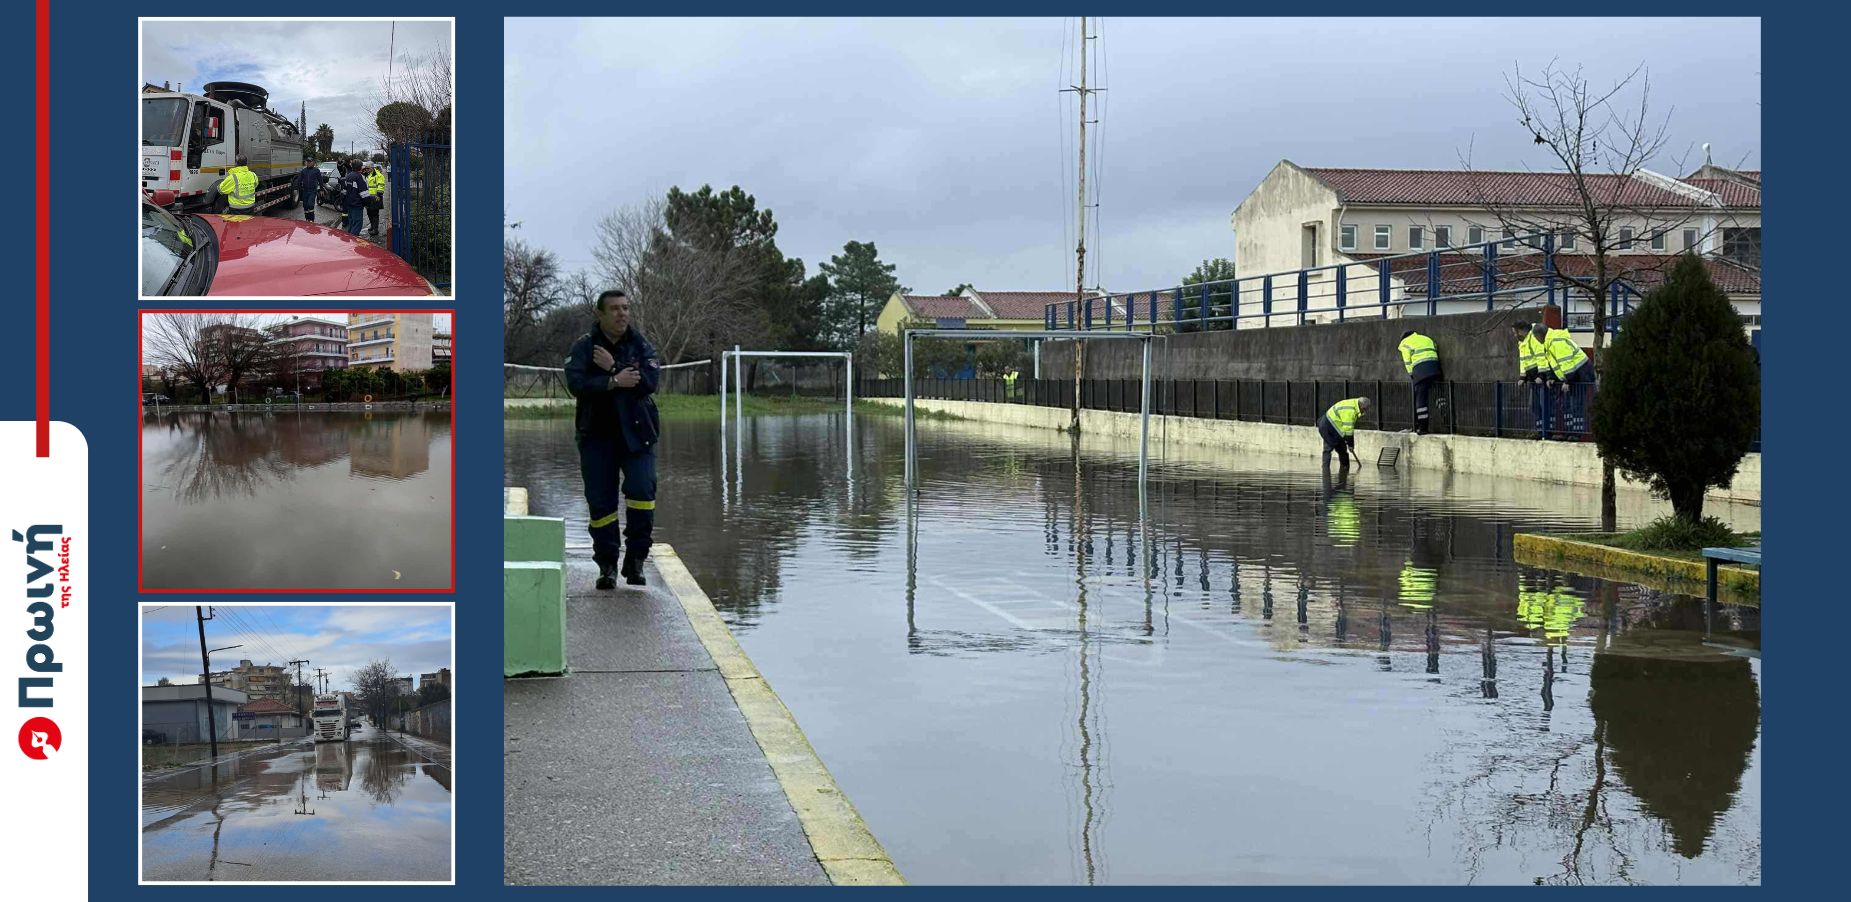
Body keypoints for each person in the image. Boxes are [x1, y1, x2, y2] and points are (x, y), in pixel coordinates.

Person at [564, 289, 663, 589]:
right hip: (597, 437)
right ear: (600, 314)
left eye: (626, 308)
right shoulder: (585, 347)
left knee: (642, 492)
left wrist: (613, 368)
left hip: (638, 436)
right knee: (601, 504)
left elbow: (649, 382)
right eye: (616, 309)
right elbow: (575, 383)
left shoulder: (640, 344)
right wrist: (613, 382)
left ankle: (636, 561)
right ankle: (607, 566)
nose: (622, 314)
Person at [1533, 322, 1593, 438]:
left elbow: (1566, 363)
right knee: (1567, 406)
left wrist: (1568, 381)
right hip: (1575, 374)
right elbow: (1556, 364)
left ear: (1539, 335)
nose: (1536, 340)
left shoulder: (1556, 342)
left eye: (1536, 337)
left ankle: (1576, 434)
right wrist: (1552, 378)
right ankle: (1570, 432)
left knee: (1576, 405)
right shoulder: (1550, 342)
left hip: (1580, 374)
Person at [1511, 321, 1551, 439]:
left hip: (1540, 379)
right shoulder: (1522, 343)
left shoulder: (1533, 338)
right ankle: (1540, 430)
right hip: (1533, 380)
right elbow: (1523, 361)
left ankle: (1547, 431)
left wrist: (1541, 375)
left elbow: (1541, 357)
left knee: (1544, 405)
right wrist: (1522, 377)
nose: (1515, 335)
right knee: (1534, 405)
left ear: (1522, 330)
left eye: (1515, 332)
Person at [1397, 329, 1441, 434]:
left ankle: (1423, 428)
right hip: (1435, 368)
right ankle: (1448, 423)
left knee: (1421, 399)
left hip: (1420, 371)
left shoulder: (1405, 343)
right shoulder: (1426, 338)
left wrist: (1412, 374)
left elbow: (1407, 361)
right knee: (1439, 396)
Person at [1319, 396, 1369, 469]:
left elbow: (1348, 429)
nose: (1364, 412)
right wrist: (1351, 444)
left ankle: (1343, 470)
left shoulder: (1353, 404)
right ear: (1362, 407)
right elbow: (1348, 430)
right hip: (1329, 428)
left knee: (1341, 450)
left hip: (1329, 425)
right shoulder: (1351, 411)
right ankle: (1328, 471)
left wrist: (1350, 443)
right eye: (1364, 410)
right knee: (1329, 449)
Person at [340, 163, 369, 235]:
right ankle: (353, 239)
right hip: (357, 204)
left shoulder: (349, 176)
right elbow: (364, 193)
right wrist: (367, 203)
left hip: (349, 203)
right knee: (357, 224)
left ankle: (349, 237)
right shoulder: (359, 177)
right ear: (360, 167)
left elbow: (345, 190)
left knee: (351, 222)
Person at [294, 160, 325, 224]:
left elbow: (320, 180)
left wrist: (321, 189)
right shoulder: (303, 171)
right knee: (305, 206)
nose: (309, 163)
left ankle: (311, 220)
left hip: (312, 191)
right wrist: (296, 188)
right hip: (305, 191)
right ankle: (307, 219)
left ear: (313, 162)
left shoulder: (316, 170)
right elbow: (299, 180)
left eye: (310, 162)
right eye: (308, 162)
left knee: (310, 205)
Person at [363, 162, 386, 237]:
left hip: (375, 197)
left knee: (375, 214)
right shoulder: (368, 175)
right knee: (369, 213)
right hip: (369, 197)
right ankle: (372, 226)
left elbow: (381, 186)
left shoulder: (379, 175)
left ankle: (375, 230)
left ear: (372, 168)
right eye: (366, 168)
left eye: (368, 168)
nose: (366, 169)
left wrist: (378, 195)